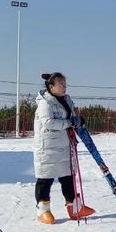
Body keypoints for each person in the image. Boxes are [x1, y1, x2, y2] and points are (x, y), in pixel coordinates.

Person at [33, 73, 95, 224]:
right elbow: (48, 122)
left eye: (65, 84)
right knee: (45, 178)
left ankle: (75, 208)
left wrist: (77, 120)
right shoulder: (45, 103)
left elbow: (71, 117)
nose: (64, 87)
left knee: (68, 177)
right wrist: (69, 122)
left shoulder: (66, 100)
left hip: (65, 144)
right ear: (51, 86)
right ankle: (43, 210)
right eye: (60, 84)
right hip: (48, 147)